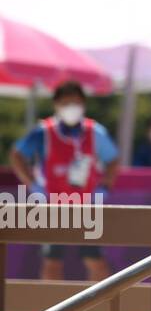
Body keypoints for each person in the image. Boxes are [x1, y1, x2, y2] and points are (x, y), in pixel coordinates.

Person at [8, 80, 119, 281]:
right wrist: (32, 185)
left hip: (86, 206)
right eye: (66, 103)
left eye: (75, 103)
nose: (71, 108)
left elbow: (113, 159)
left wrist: (105, 185)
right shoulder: (43, 132)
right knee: (52, 260)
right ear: (56, 105)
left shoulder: (95, 132)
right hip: (53, 205)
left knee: (95, 259)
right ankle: (52, 310)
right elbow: (17, 156)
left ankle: (99, 309)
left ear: (83, 104)